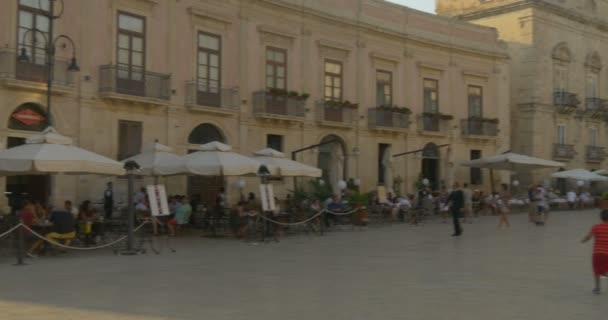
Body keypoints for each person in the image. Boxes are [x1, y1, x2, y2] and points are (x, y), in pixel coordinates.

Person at [581, 210, 608, 294]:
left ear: (601, 217)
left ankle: (597, 289)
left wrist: (583, 240)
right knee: (605, 271)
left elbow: (588, 237)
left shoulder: (596, 227)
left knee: (597, 271)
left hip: (597, 253)